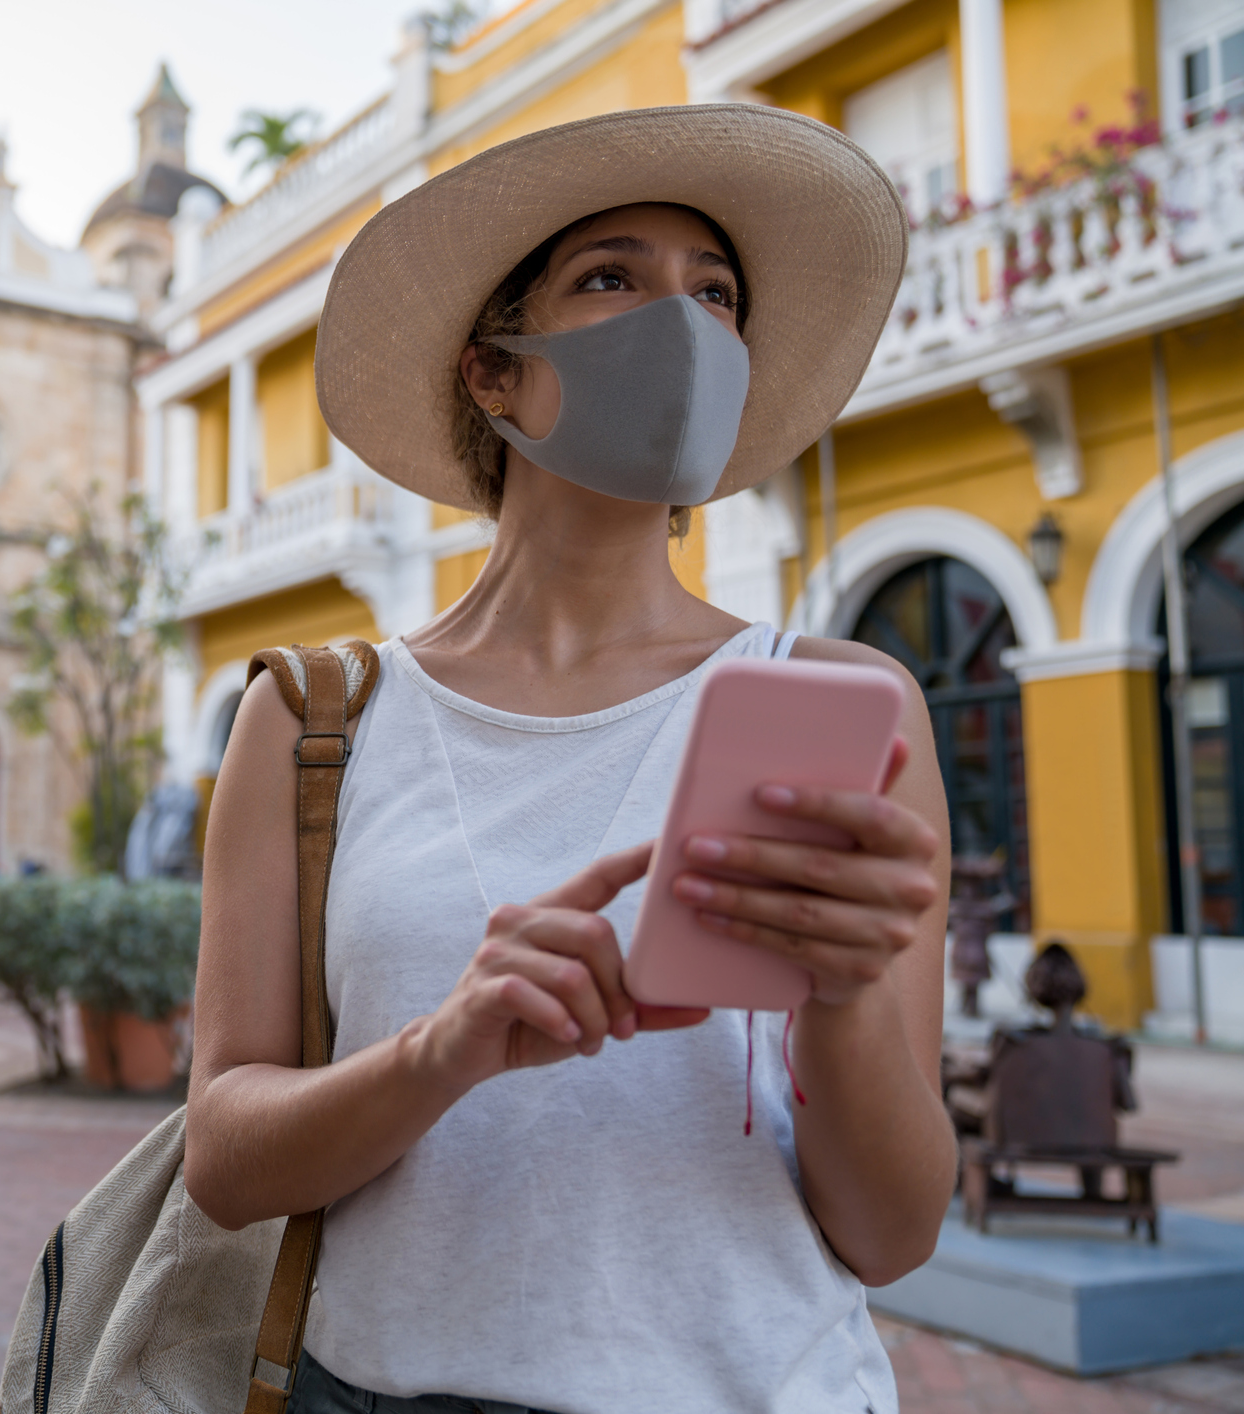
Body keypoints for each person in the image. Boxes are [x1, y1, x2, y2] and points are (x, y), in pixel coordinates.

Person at [188, 106, 953, 1413]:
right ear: (493, 373)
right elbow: (223, 1158)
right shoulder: (314, 719)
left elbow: (893, 1233)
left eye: (717, 294)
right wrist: (440, 1052)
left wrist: (840, 999)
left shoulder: (839, 700)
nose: (685, 323)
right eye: (613, 277)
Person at [948, 855, 1017, 1018]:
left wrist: (999, 877)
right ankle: (967, 1007)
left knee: (971, 984)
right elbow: (1008, 899)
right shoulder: (969, 908)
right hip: (966, 951)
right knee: (967, 983)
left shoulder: (969, 908)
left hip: (972, 951)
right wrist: (1001, 881)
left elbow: (1008, 900)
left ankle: (970, 1007)